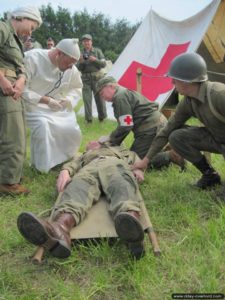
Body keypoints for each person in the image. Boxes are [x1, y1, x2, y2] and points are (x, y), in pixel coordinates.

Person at [17, 141, 146, 259]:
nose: (92, 143)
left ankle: (131, 227)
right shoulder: (84, 155)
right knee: (77, 188)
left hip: (114, 164)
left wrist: (139, 169)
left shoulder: (125, 151)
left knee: (121, 185)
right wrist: (66, 171)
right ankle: (60, 229)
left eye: (96, 141)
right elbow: (72, 165)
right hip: (88, 169)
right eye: (90, 143)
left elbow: (139, 162)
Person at [133, 52, 225, 190]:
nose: (172, 83)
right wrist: (145, 161)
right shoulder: (188, 101)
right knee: (176, 136)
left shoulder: (219, 95)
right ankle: (210, 175)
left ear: (187, 81)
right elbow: (167, 130)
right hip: (218, 139)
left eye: (175, 79)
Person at [95, 76, 185, 170]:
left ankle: (170, 156)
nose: (102, 97)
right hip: (156, 124)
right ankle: (165, 149)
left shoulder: (120, 98)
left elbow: (126, 125)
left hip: (151, 129)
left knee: (134, 161)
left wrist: (111, 139)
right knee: (135, 157)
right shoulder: (124, 93)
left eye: (102, 93)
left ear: (111, 86)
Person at [22, 39, 83, 173]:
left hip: (54, 105)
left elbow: (77, 87)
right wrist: (45, 100)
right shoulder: (33, 58)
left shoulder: (70, 68)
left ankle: (63, 159)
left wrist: (67, 100)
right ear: (59, 54)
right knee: (43, 125)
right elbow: (21, 89)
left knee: (70, 127)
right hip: (30, 105)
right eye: (68, 63)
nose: (70, 67)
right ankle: (42, 166)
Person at [0, 6, 42, 196]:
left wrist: (23, 79)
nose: (30, 32)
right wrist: (2, 80)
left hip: (13, 89)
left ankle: (10, 173)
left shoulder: (15, 40)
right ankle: (7, 183)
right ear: (22, 18)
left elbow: (20, 65)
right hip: (4, 89)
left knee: (15, 133)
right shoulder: (3, 29)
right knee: (12, 136)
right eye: (31, 27)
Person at [77, 34, 107, 123]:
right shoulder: (80, 53)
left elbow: (103, 64)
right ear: (82, 43)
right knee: (87, 100)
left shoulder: (97, 51)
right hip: (85, 79)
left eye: (88, 41)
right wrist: (81, 62)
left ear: (91, 42)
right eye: (85, 41)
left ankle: (102, 117)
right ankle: (88, 119)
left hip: (97, 78)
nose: (86, 42)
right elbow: (77, 68)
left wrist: (95, 60)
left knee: (100, 99)